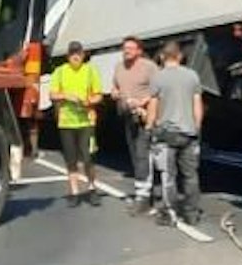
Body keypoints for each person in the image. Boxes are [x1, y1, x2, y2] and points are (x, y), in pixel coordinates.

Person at [143, 40, 206, 226]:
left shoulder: (158, 78)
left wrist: (149, 127)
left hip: (166, 134)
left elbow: (153, 105)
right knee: (190, 176)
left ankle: (169, 214)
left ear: (162, 57)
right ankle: (191, 214)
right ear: (180, 56)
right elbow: (197, 105)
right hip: (189, 134)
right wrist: (197, 127)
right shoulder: (192, 76)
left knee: (168, 176)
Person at [48, 41, 104, 207]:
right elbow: (52, 94)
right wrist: (66, 95)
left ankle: (92, 187)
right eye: (72, 54)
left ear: (83, 55)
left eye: (78, 54)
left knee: (88, 157)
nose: (75, 57)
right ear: (68, 56)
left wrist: (88, 101)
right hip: (66, 122)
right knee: (71, 158)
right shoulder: (60, 72)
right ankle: (74, 192)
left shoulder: (90, 71)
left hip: (86, 121)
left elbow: (99, 95)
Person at [108, 35, 159, 214]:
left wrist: (141, 102)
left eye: (130, 48)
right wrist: (114, 92)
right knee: (135, 156)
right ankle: (145, 194)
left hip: (145, 117)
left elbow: (158, 91)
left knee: (143, 155)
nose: (126, 51)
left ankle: (143, 199)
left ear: (139, 51)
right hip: (127, 117)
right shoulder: (119, 67)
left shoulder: (149, 67)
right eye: (124, 48)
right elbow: (115, 86)